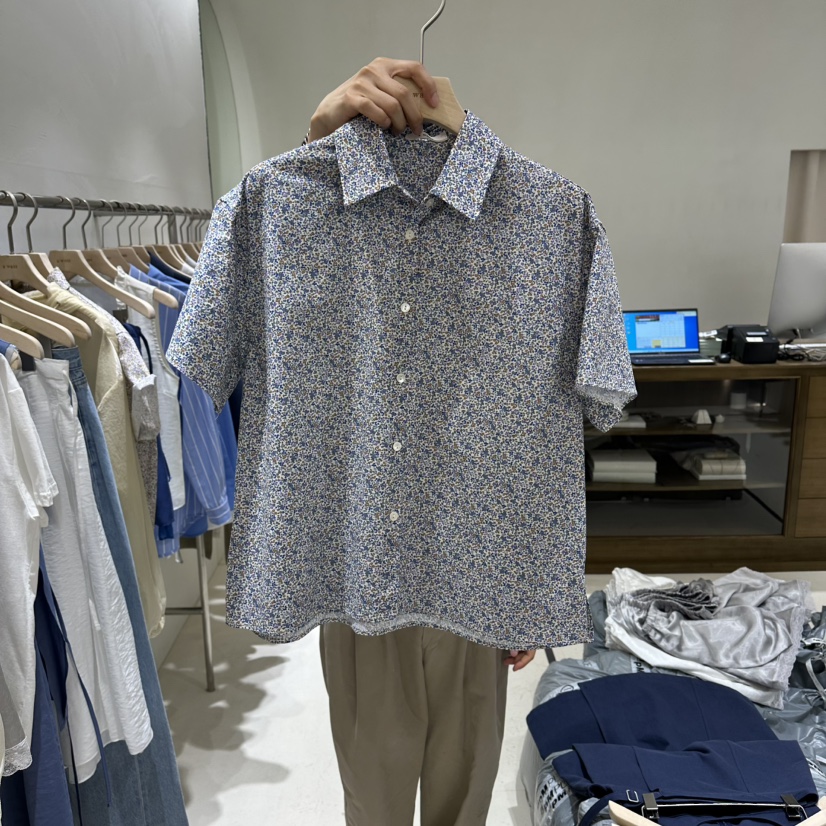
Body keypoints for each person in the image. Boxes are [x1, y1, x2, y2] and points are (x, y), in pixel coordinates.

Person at [304, 57, 536, 826]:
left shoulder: (538, 221)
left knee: (462, 795)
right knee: (373, 796)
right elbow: (255, 352)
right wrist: (315, 155)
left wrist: (527, 581)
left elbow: (542, 420)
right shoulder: (298, 210)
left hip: (476, 562)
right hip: (359, 566)